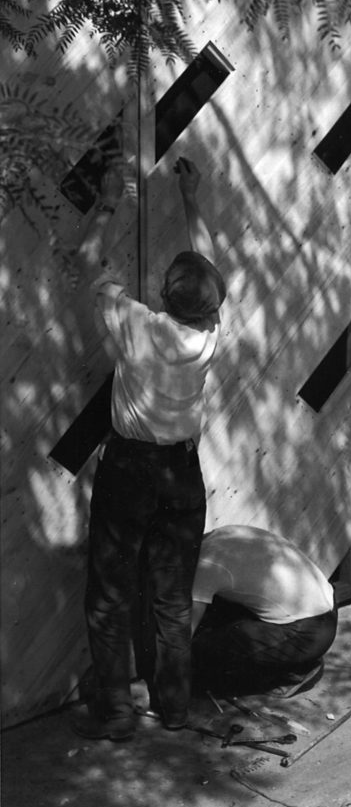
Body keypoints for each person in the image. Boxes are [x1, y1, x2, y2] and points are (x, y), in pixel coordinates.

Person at [72, 156, 226, 741]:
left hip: (130, 472)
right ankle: (174, 707)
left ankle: (116, 712)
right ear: (211, 308)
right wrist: (191, 199)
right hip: (182, 476)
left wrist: (109, 201)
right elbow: (210, 273)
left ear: (163, 295)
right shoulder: (209, 338)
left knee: (110, 595)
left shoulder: (137, 325)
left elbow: (87, 266)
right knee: (171, 599)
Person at [189, 526, 338, 697]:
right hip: (328, 605)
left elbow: (183, 635)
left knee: (202, 651)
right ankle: (292, 659)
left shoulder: (206, 564)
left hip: (307, 634)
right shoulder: (222, 534)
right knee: (220, 608)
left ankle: (292, 672)